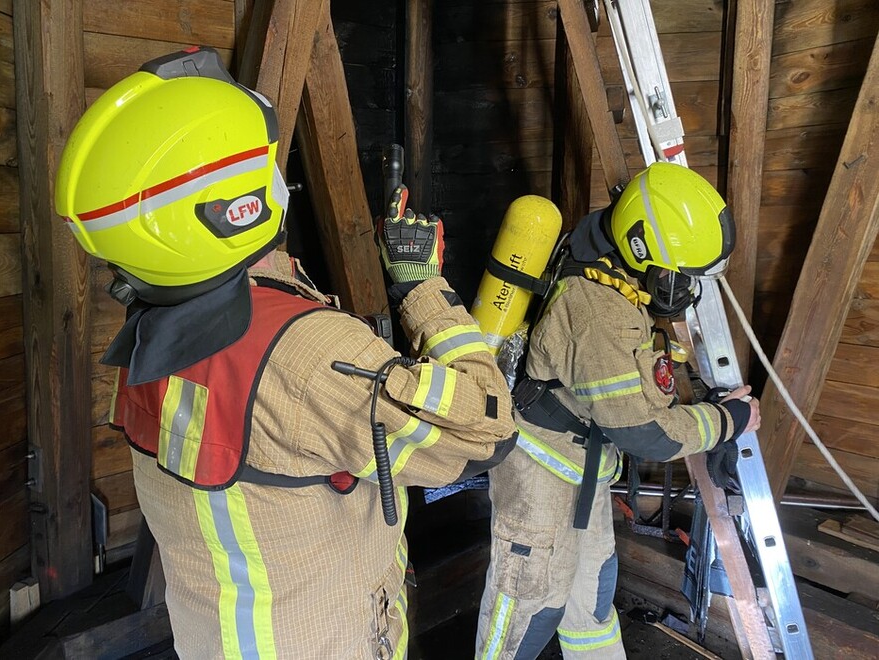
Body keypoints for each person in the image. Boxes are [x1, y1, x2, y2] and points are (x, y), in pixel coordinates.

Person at [55, 46, 517, 659]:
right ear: (235, 208)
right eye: (266, 168)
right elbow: (485, 428)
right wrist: (422, 287)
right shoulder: (311, 357)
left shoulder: (144, 342)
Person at [475, 162, 761, 659]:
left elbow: (636, 375)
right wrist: (728, 422)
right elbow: (643, 432)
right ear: (640, 247)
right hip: (541, 475)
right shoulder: (596, 310)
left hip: (583, 465)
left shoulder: (615, 269)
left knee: (593, 598)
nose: (685, 291)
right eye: (678, 278)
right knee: (527, 609)